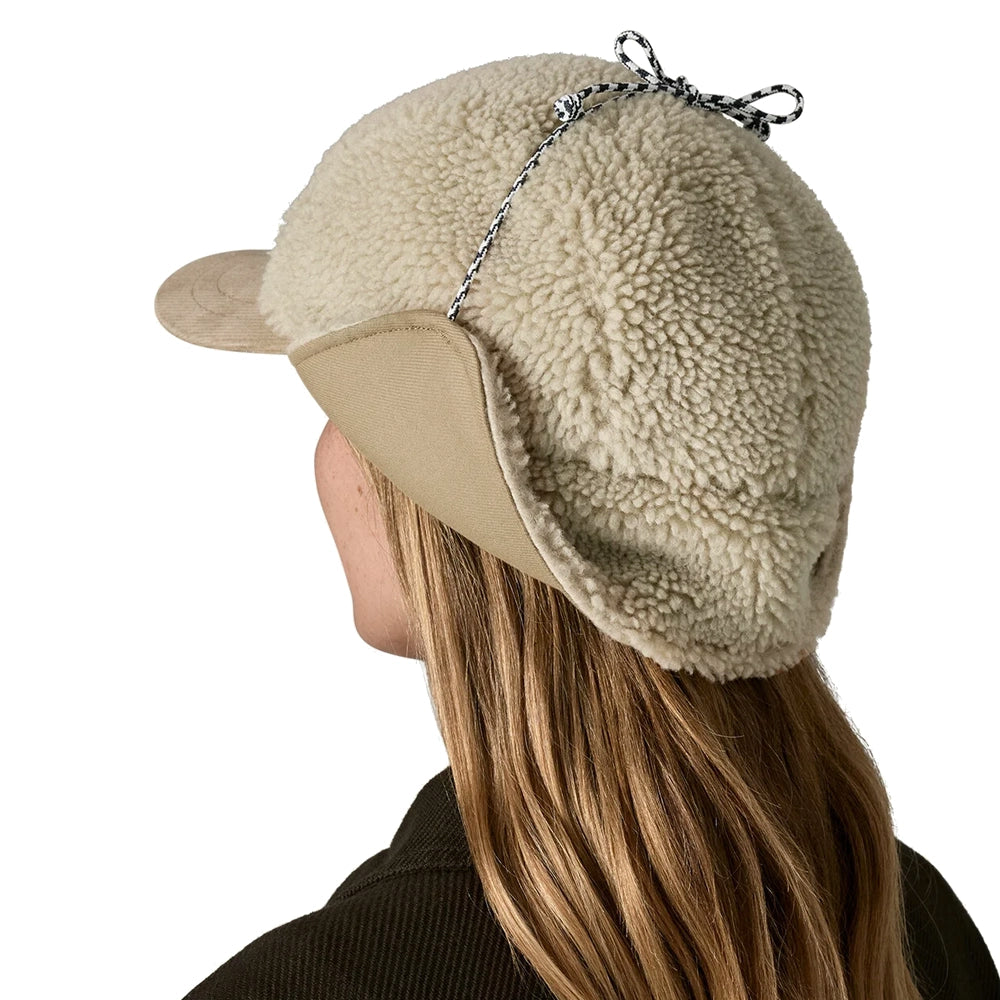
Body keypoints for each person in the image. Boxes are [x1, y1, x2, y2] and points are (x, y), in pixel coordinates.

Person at [154, 28, 999, 1000]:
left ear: (449, 470)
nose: (328, 451)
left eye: (344, 405)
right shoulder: (911, 922)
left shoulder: (322, 983)